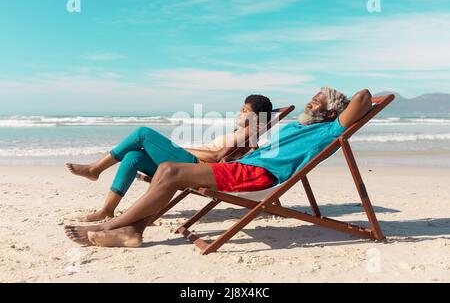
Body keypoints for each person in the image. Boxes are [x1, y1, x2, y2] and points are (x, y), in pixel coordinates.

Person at [64, 87, 371, 248]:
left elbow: (363, 98)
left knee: (170, 170)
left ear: (332, 113)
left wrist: (336, 103)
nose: (310, 103)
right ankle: (132, 230)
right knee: (167, 169)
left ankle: (110, 225)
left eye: (318, 101)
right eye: (312, 98)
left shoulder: (328, 130)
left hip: (257, 175)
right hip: (245, 166)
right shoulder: (298, 126)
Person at [66, 95, 273, 222]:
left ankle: (96, 170)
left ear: (256, 117)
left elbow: (217, 157)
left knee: (143, 133)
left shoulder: (250, 132)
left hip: (196, 167)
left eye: (244, 110)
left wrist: (180, 148)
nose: (239, 112)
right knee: (133, 156)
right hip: (192, 162)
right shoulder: (243, 131)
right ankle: (107, 210)